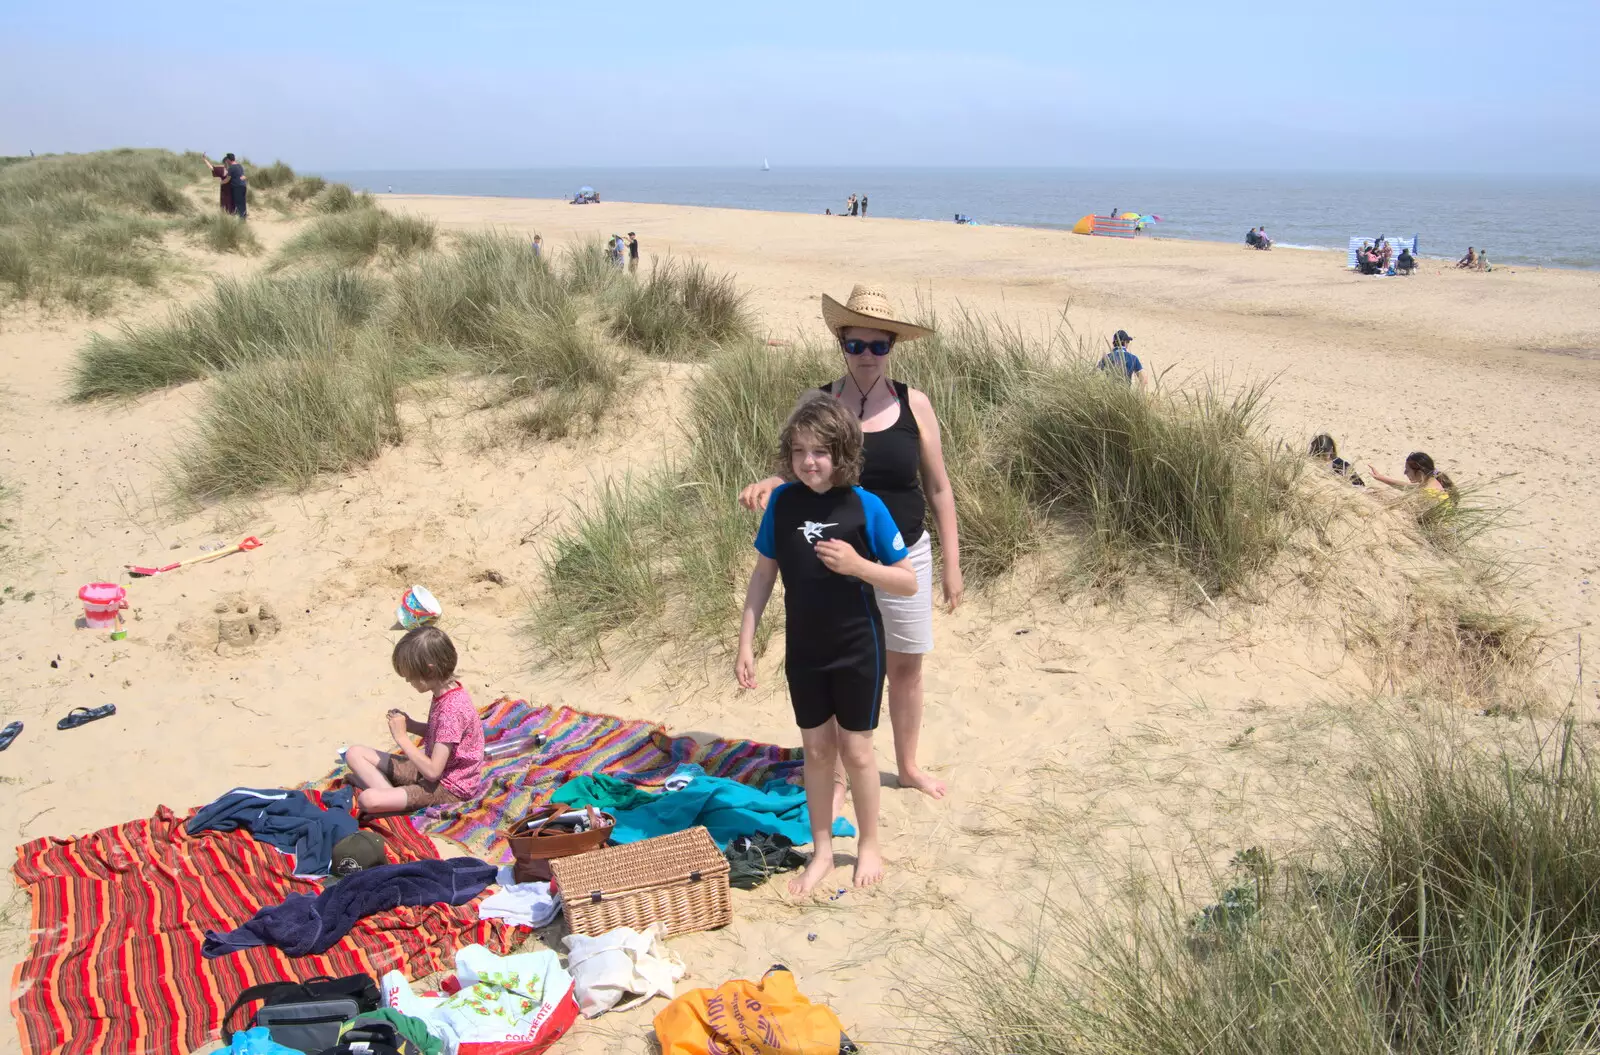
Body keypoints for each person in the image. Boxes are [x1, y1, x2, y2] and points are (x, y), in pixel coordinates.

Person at [739, 284, 963, 805]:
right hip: (833, 560)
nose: (866, 355)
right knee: (842, 661)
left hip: (903, 550)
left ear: (892, 347)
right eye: (855, 344)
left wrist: (952, 565)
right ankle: (836, 779)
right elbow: (797, 469)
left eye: (878, 345)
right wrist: (768, 485)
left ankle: (907, 766)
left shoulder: (915, 403)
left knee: (906, 663)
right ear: (840, 343)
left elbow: (938, 487)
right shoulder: (818, 400)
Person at [737, 394, 917, 893]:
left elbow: (906, 581)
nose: (808, 462)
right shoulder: (783, 503)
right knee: (816, 749)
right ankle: (821, 852)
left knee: (857, 751)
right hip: (806, 648)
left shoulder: (866, 506)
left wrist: (859, 566)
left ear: (842, 453)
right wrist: (746, 641)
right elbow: (764, 573)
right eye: (798, 452)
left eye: (819, 451)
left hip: (859, 645)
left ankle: (868, 845)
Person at [345, 627, 486, 814]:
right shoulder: (447, 693)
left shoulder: (452, 710)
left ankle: (391, 800)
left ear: (428, 671)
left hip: (449, 787)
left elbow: (434, 772)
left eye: (410, 676)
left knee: (368, 799)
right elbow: (443, 735)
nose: (407, 681)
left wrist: (402, 737)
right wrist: (411, 725)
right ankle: (392, 796)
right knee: (354, 753)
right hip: (433, 771)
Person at [1367, 451, 1457, 503]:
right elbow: (1405, 486)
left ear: (1419, 472)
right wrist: (1380, 477)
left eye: (1407, 470)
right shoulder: (1433, 482)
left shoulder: (1427, 493)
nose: (1405, 473)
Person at [219, 153, 248, 221]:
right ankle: (243, 217)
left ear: (229, 160)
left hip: (237, 187)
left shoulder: (231, 168)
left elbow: (227, 179)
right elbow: (243, 176)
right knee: (242, 203)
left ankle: (241, 219)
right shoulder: (239, 166)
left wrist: (221, 182)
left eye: (227, 160)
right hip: (243, 186)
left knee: (238, 203)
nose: (227, 161)